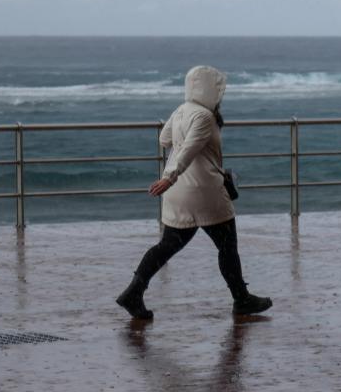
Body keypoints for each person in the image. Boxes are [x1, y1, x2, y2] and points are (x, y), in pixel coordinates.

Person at [116, 65, 272, 319]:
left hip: (179, 193)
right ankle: (241, 299)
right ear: (211, 90)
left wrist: (172, 175)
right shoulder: (204, 117)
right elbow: (189, 149)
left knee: (167, 246)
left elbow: (164, 140)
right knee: (227, 247)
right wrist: (169, 176)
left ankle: (134, 292)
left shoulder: (181, 110)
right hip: (204, 192)